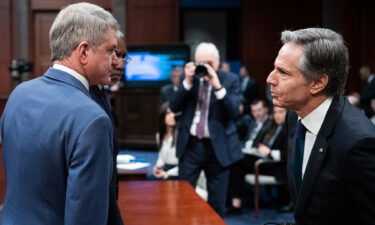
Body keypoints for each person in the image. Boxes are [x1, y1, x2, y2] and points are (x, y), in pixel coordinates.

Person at [0, 3, 120, 225]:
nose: (115, 60)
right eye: (110, 50)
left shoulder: (19, 94)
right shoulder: (92, 119)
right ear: (84, 52)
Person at [267, 28, 375, 225]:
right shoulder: (294, 117)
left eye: (282, 72)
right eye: (275, 68)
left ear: (317, 83)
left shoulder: (359, 143)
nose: (270, 79)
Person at [170, 42, 243, 216]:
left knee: (217, 203)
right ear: (195, 62)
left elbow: (234, 112)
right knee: (183, 198)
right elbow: (174, 107)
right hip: (191, 145)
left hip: (218, 148)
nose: (206, 67)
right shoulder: (189, 78)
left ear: (218, 61)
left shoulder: (230, 79)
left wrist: (217, 86)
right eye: (202, 63)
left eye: (210, 63)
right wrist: (187, 82)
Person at [89, 32, 127, 225]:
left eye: (123, 57)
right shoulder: (85, 98)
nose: (120, 64)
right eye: (114, 53)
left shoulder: (101, 90)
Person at [227, 99, 273, 214]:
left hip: (262, 160)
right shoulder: (253, 123)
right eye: (254, 111)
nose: (257, 114)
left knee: (234, 160)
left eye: (259, 110)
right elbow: (246, 141)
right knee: (236, 167)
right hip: (247, 157)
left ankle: (230, 200)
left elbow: (266, 147)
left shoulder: (271, 124)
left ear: (266, 109)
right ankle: (235, 204)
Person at [152, 105, 179, 180]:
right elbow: (161, 158)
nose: (172, 115)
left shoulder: (180, 136)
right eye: (168, 113)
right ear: (162, 116)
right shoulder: (159, 135)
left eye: (174, 113)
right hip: (165, 169)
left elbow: (185, 165)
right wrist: (157, 167)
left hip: (177, 171)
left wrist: (168, 173)